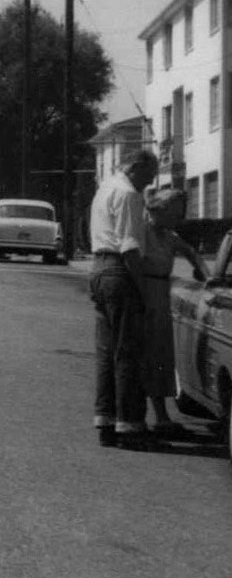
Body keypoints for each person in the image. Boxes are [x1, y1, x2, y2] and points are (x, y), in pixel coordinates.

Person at [89, 149, 158, 449]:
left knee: (107, 350)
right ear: (136, 167)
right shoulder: (130, 195)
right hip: (119, 271)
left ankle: (106, 420)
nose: (150, 183)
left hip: (99, 269)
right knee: (128, 350)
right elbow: (130, 247)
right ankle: (130, 426)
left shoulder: (105, 188)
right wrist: (142, 291)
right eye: (149, 175)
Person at [139, 188, 209, 437]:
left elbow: (191, 252)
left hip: (160, 292)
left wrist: (207, 275)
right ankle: (138, 417)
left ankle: (161, 417)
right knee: (143, 354)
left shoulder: (169, 235)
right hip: (141, 291)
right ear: (161, 210)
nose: (178, 220)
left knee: (160, 356)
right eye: (176, 214)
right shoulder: (141, 230)